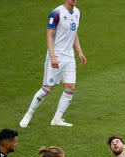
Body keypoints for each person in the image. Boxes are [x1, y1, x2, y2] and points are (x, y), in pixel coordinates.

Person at [19, 0, 87, 128]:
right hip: (56, 56)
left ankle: (57, 118)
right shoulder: (57, 13)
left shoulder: (78, 12)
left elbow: (74, 33)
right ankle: (28, 114)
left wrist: (80, 52)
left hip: (69, 57)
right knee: (47, 89)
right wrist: (53, 56)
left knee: (70, 87)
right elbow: (49, 35)